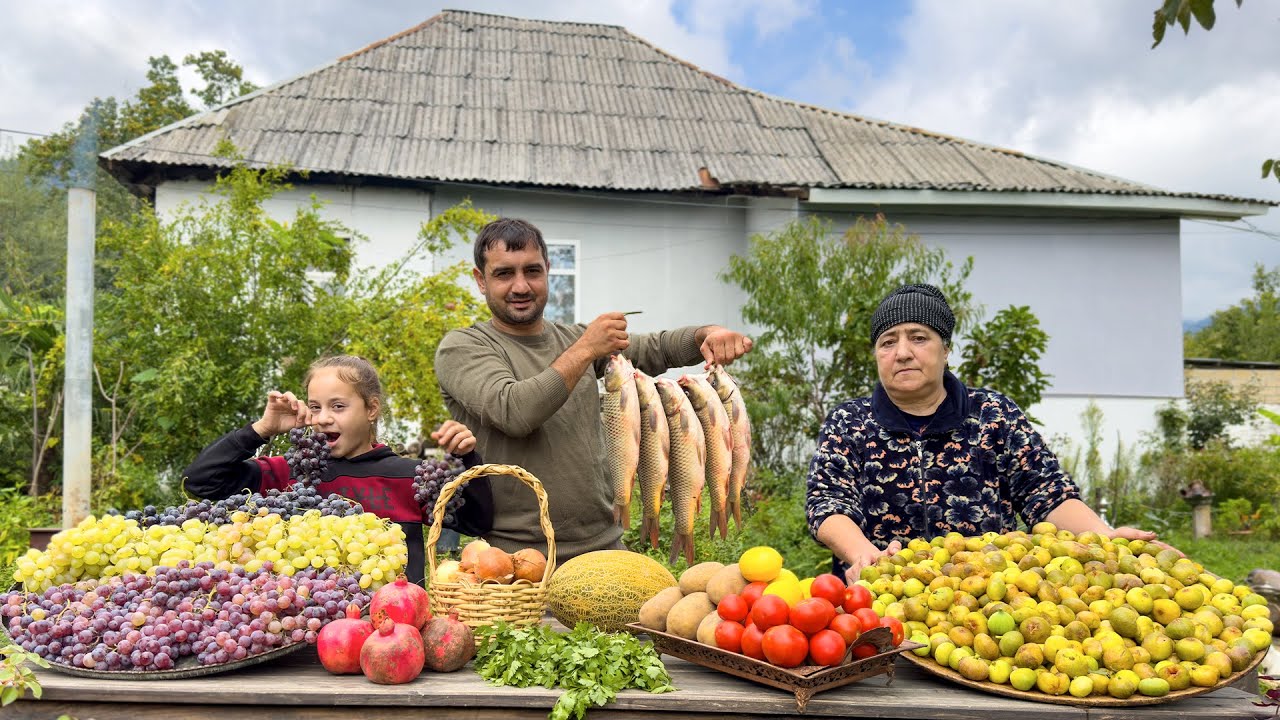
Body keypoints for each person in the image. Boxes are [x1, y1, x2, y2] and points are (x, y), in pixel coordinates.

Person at [434, 217, 753, 562]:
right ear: (481, 280)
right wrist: (587, 348)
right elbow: (515, 411)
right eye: (504, 274)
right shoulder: (462, 347)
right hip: (518, 560)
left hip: (605, 550)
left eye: (532, 271)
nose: (521, 286)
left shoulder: (572, 340)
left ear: (548, 270)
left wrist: (705, 334)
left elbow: (654, 349)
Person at [805, 284, 1164, 584]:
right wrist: (863, 554)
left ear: (946, 349)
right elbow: (827, 503)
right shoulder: (850, 422)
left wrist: (1105, 537)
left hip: (988, 606)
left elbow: (1046, 493)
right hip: (878, 600)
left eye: (918, 338)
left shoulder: (993, 415)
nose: (902, 353)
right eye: (887, 342)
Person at [183, 354, 494, 586]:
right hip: (308, 633)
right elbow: (201, 482)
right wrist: (262, 429)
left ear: (372, 409)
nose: (323, 418)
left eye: (338, 406)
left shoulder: (412, 477)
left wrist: (468, 459)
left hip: (393, 629)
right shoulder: (292, 473)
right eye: (315, 407)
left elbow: (476, 522)